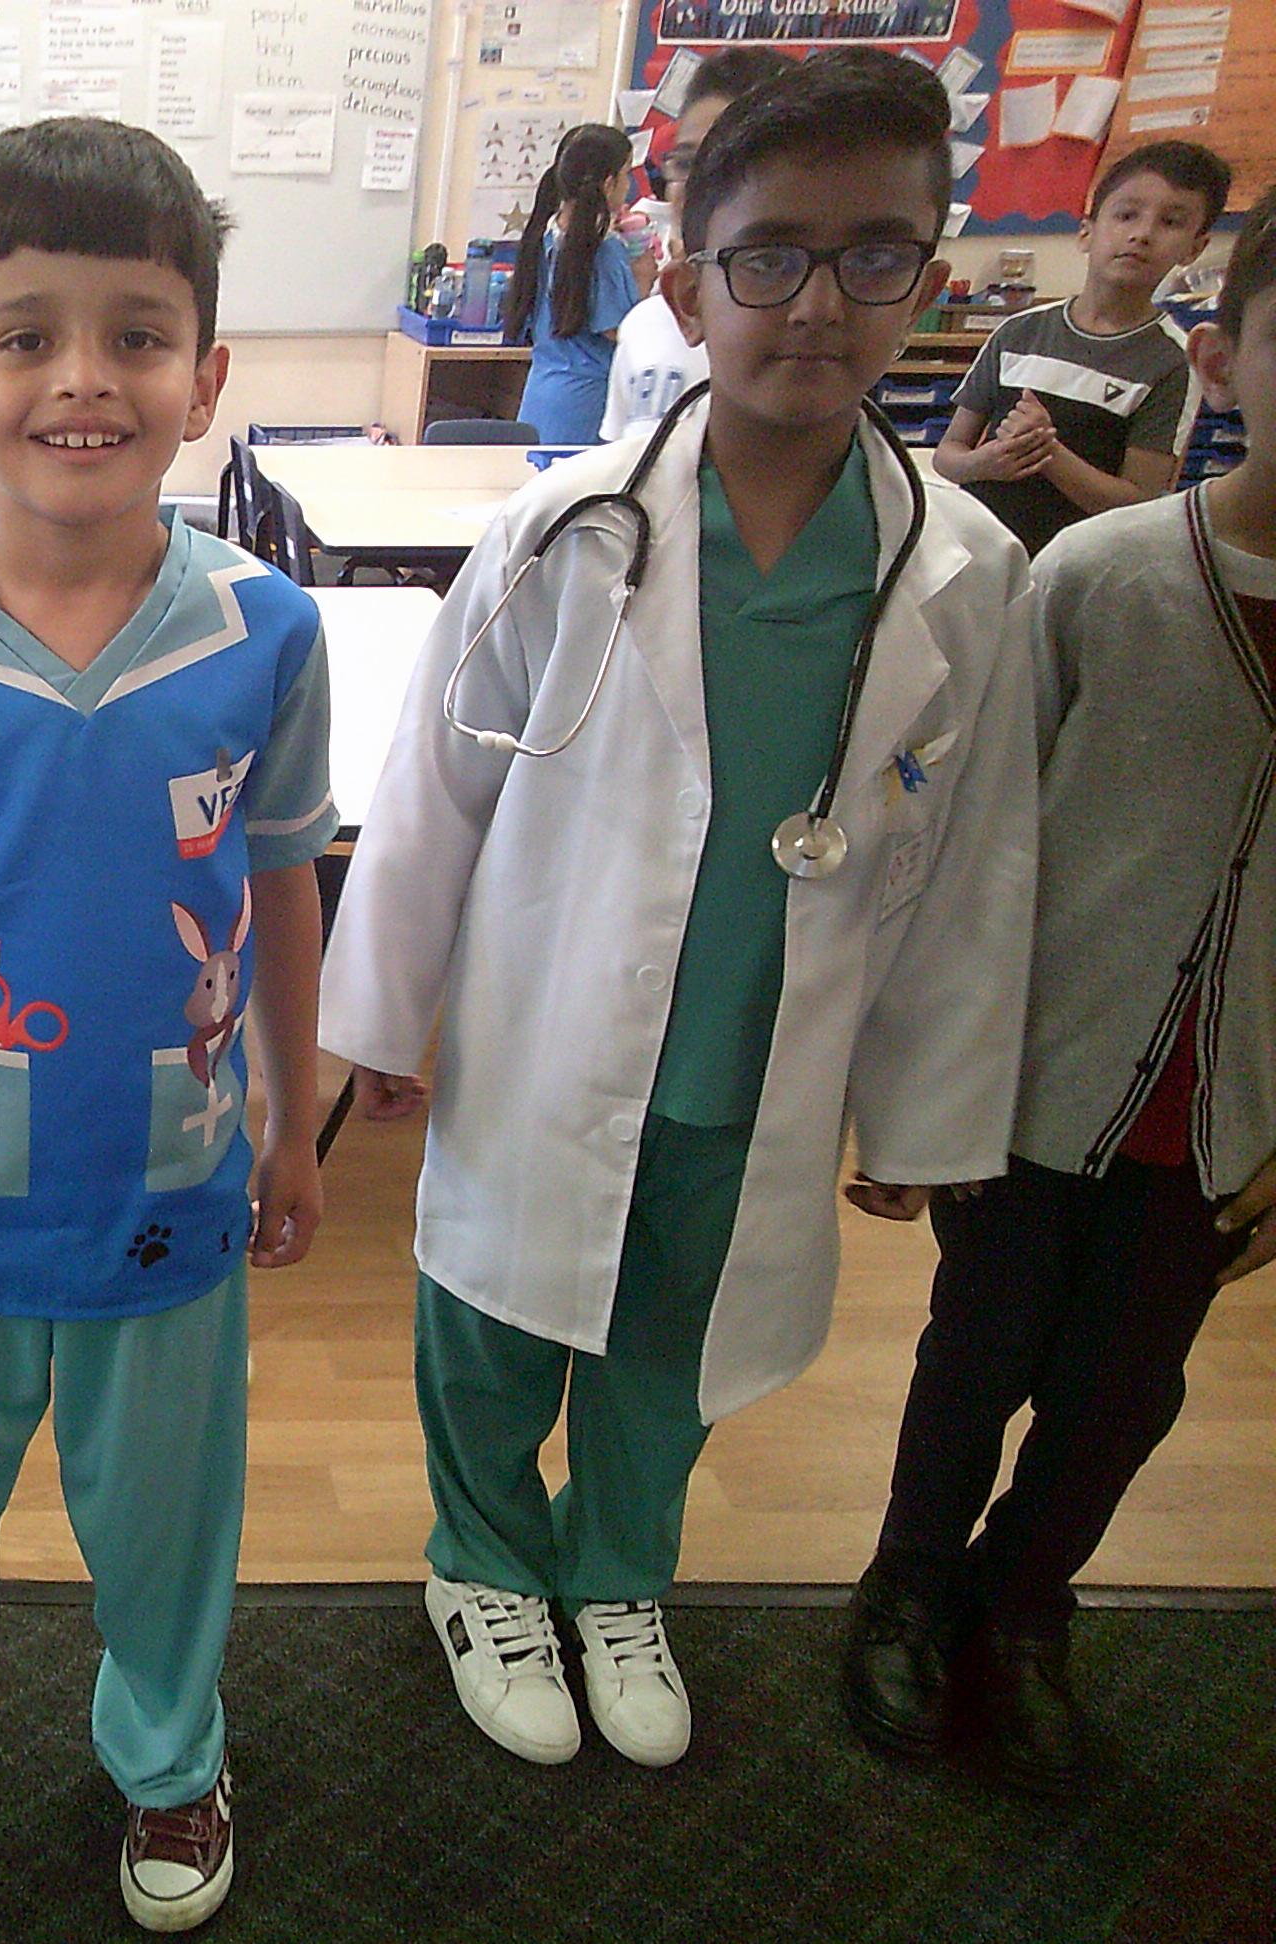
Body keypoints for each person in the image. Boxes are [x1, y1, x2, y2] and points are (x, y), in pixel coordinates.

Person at [323, 52, 1039, 1775]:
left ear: (928, 284)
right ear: (684, 280)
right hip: (548, 1028)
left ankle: (617, 1573)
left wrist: (925, 1113)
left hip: (759, 1055)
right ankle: (484, 1563)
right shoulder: (563, 530)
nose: (819, 302)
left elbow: (974, 864)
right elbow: (435, 789)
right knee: (495, 1325)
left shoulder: (962, 574)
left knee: (673, 1340)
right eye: (769, 255)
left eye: (873, 257)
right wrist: (382, 1022)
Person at [0, 117, 334, 1931]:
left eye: (137, 333)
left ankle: (170, 1753)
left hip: (170, 1178)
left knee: (167, 1518)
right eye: (26, 335)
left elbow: (283, 881)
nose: (84, 378)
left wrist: (294, 1113)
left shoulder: (264, 632)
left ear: (207, 379)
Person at [843, 190, 1276, 1795]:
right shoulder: (1103, 578)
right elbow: (972, 852)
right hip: (1042, 1078)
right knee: (980, 1352)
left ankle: (1025, 1607)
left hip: (1230, 1117)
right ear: (1221, 361)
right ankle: (904, 1588)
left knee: (1123, 1392)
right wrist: (925, 1085)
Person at [934, 140, 1231, 557]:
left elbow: (1139, 503)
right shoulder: (1019, 332)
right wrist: (980, 464)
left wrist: (1048, 452)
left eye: (1170, 222)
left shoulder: (1173, 362)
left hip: (1076, 568)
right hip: (979, 554)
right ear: (1086, 232)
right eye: (1126, 215)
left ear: (1194, 248)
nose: (1142, 234)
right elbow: (948, 454)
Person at [601, 47, 794, 444]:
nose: (700, 187)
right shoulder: (645, 324)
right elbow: (622, 460)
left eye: (729, 162)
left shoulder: (807, 332)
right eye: (688, 164)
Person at [505, 123, 649, 446]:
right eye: (626, 174)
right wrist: (643, 277)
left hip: (540, 392)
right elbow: (619, 331)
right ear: (609, 184)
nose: (629, 185)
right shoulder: (603, 251)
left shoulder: (543, 237)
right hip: (585, 404)